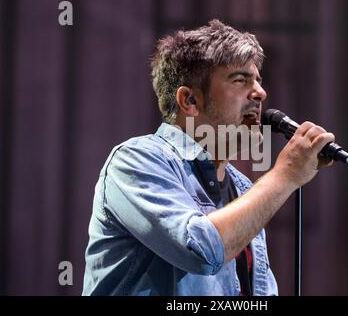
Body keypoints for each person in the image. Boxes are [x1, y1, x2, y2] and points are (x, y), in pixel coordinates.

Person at [82, 19, 334, 296]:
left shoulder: (243, 190)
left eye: (259, 81)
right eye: (240, 79)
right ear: (189, 101)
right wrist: (285, 174)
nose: (261, 93)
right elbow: (202, 252)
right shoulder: (136, 160)